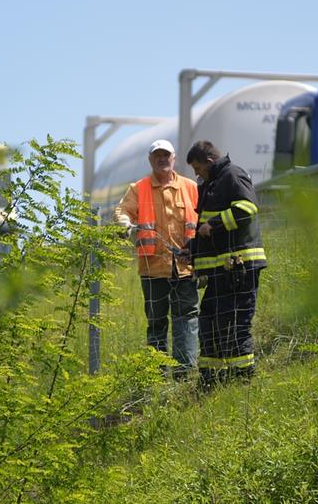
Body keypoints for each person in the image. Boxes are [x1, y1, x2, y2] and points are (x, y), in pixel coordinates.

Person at [184, 140, 266, 389]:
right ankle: (210, 379)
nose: (196, 174)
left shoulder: (232, 174)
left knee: (236, 323)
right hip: (221, 270)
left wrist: (216, 224)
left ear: (209, 161)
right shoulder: (211, 184)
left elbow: (247, 208)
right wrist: (192, 250)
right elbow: (206, 231)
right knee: (210, 319)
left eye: (197, 169)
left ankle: (243, 379)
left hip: (239, 266)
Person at [114, 139, 200, 378]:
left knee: (187, 318)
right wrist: (123, 223)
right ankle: (157, 375)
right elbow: (123, 211)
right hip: (153, 268)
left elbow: (203, 218)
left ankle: (185, 371)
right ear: (150, 160)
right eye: (157, 155)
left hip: (185, 267)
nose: (162, 159)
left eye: (166, 155)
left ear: (174, 158)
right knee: (157, 322)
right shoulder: (138, 188)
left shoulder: (190, 187)